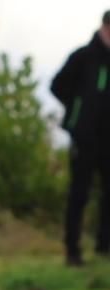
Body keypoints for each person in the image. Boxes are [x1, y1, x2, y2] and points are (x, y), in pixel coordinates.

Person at [50, 10, 110, 267]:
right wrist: (77, 110)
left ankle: (104, 248)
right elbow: (57, 85)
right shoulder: (83, 57)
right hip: (84, 138)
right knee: (79, 194)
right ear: (104, 27)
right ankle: (72, 251)